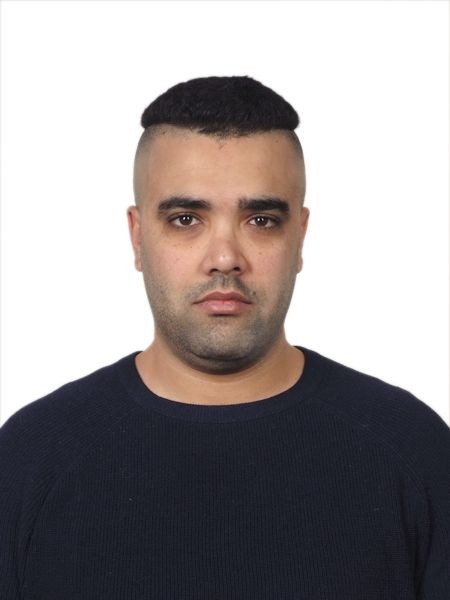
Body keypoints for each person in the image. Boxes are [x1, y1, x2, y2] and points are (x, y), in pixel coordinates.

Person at [1, 75, 449, 600]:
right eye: (185, 218)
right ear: (138, 237)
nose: (224, 258)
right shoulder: (30, 459)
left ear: (300, 237)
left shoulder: (413, 451)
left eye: (261, 220)